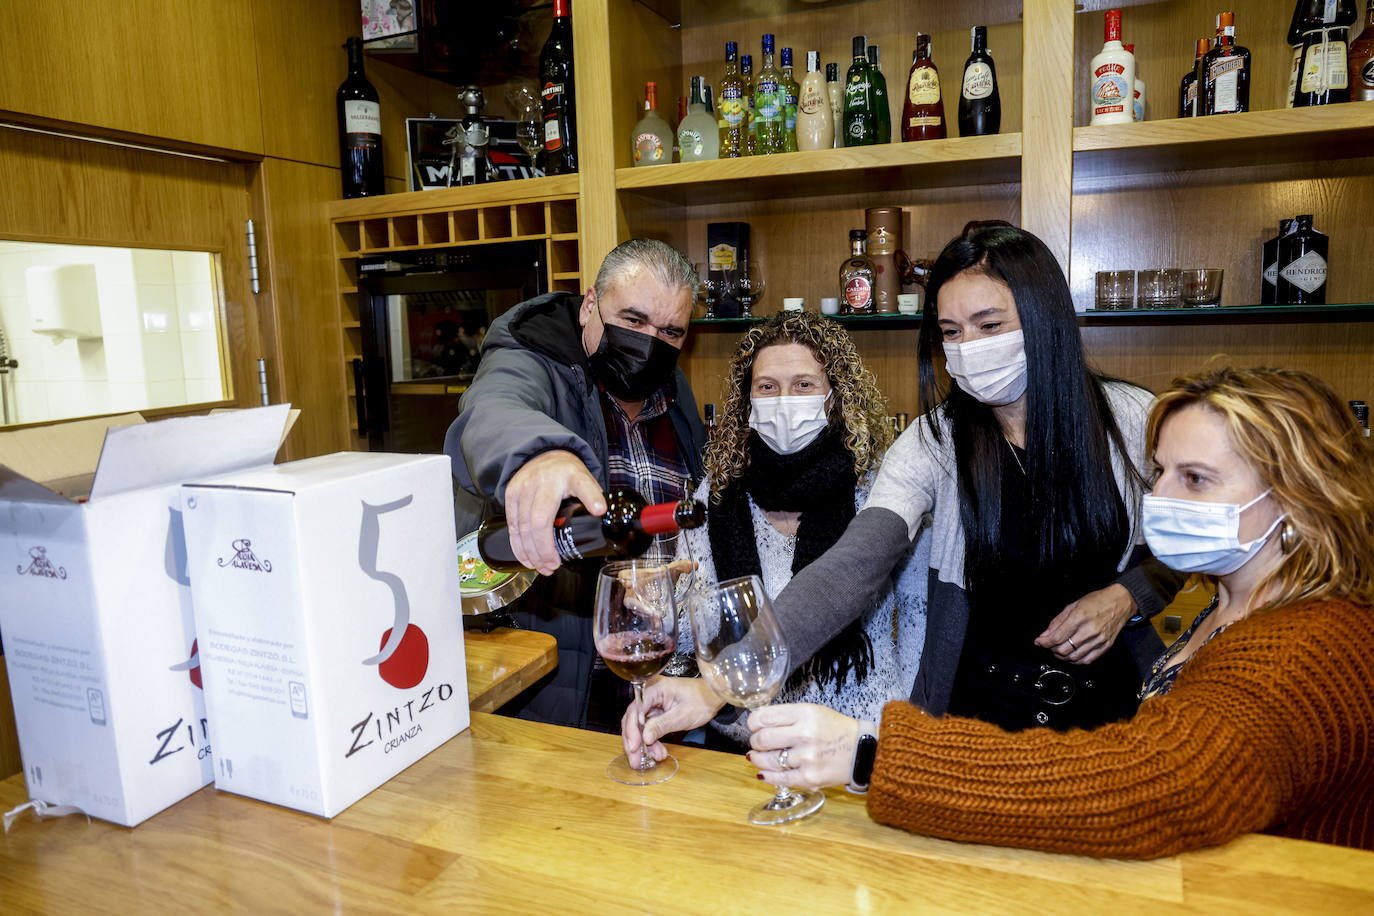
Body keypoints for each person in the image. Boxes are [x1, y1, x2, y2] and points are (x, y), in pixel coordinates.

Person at [745, 367, 1374, 858]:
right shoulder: (1235, 602)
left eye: (1196, 479)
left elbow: (1155, 785)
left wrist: (871, 758)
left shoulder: (1314, 645)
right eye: (1159, 473)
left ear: (1300, 495)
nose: (1158, 497)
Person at [627, 226, 1184, 754]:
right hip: (975, 718)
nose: (968, 346)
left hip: (1112, 711)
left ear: (1044, 319)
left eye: (989, 325)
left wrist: (1129, 595)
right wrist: (723, 682)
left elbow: (1202, 536)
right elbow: (850, 568)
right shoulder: (933, 443)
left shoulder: (1132, 420)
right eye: (950, 332)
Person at [623, 312, 929, 749]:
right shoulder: (716, 497)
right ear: (747, 401)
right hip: (742, 745)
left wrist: (902, 749)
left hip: (854, 744)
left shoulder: (883, 494)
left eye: (804, 385)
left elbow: (920, 632)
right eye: (767, 387)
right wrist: (662, 610)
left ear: (836, 397)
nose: (784, 400)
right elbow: (703, 639)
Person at [445, 238, 707, 731]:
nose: (651, 341)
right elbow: (494, 408)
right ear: (590, 305)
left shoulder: (677, 395)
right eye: (633, 320)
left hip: (661, 687)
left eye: (671, 331)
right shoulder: (531, 356)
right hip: (560, 694)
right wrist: (540, 454)